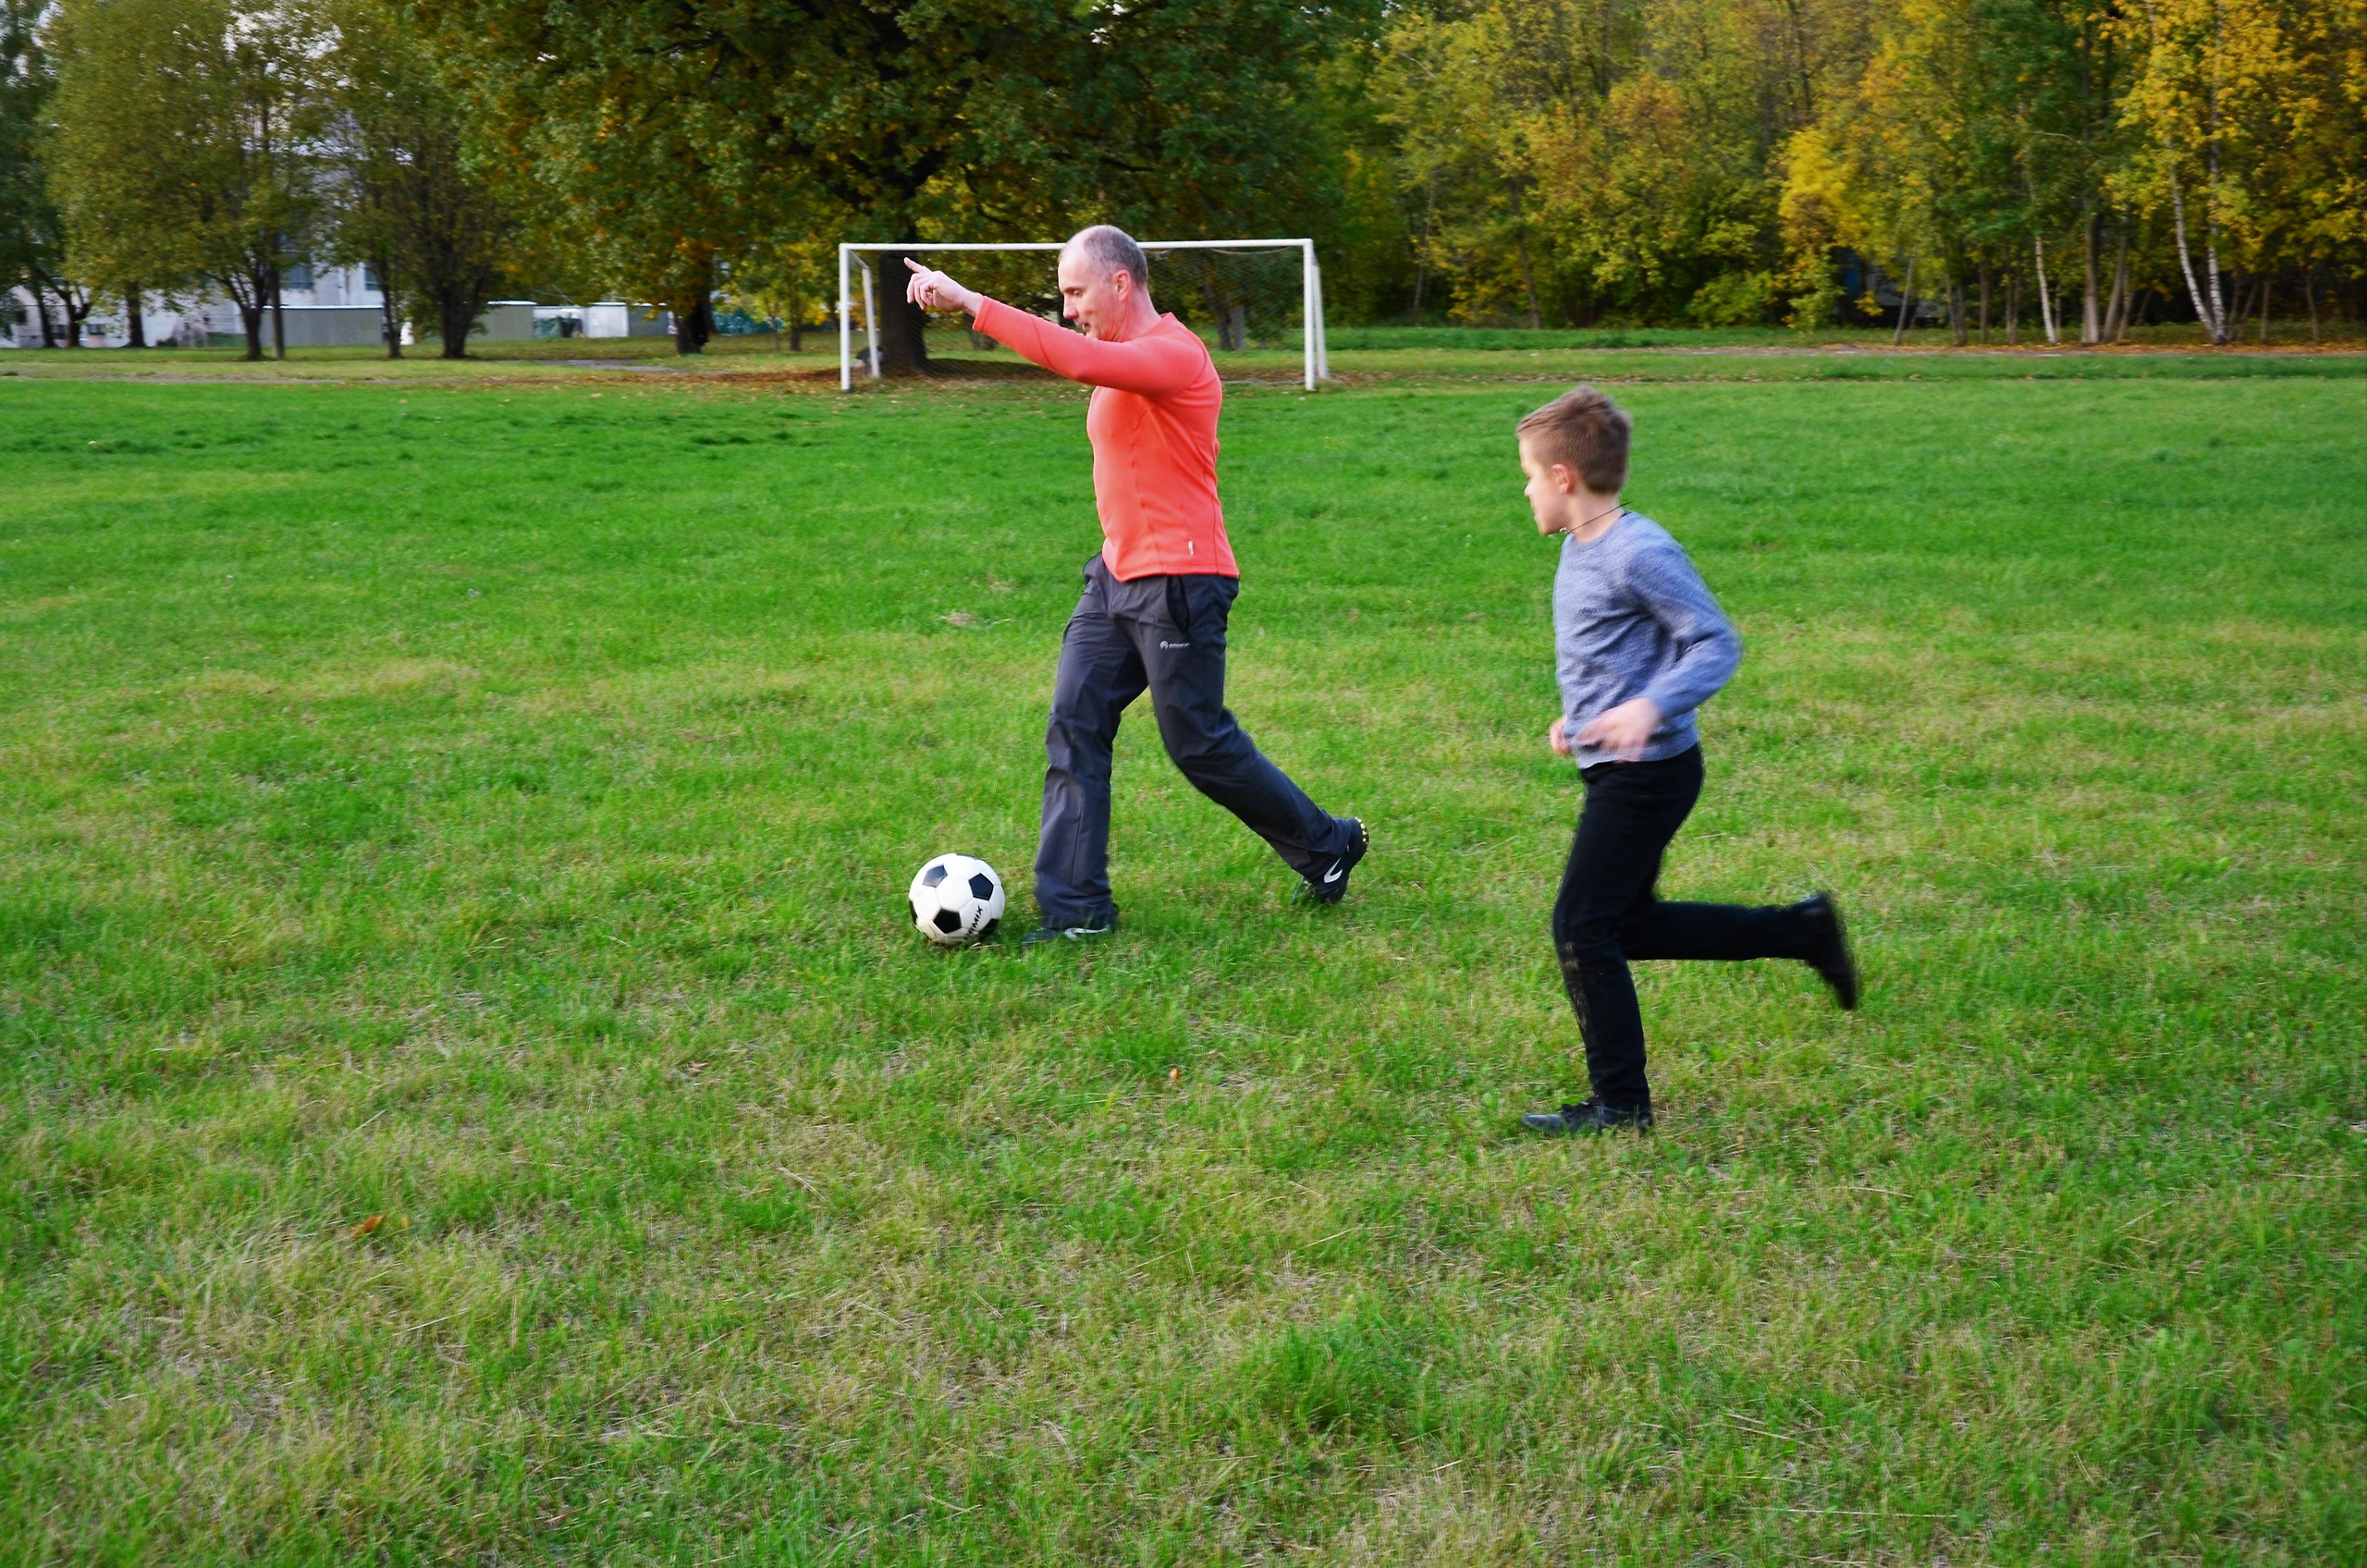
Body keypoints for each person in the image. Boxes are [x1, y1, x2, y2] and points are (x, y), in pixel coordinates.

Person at [903, 227, 1367, 945]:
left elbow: (1076, 358)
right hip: (1114, 576)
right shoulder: (1125, 358)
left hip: (1181, 580)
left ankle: (1328, 844)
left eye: (1076, 292)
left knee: (1199, 745)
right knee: (1074, 724)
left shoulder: (1174, 354)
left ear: (1121, 283)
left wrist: (972, 302)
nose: (1069, 309)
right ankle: (1076, 911)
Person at [1514, 386, 1858, 1134]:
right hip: (1619, 767)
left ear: (1564, 477)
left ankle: (1620, 1105)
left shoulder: (1639, 551)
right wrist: (1582, 719)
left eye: (1531, 477)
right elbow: (1614, 653)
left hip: (1649, 776)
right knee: (1626, 926)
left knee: (1580, 926)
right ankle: (1801, 931)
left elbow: (1714, 643)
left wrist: (1649, 707)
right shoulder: (1582, 546)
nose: (1527, 491)